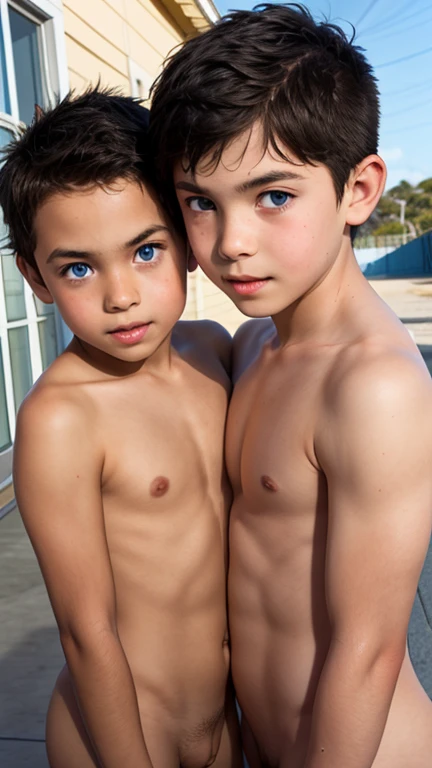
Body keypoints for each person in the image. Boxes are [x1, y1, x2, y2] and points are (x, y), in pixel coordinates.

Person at [149, 5, 432, 767]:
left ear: (358, 190)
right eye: (200, 202)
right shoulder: (252, 345)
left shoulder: (372, 386)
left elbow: (367, 652)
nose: (230, 242)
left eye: (273, 196)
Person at [0, 87, 242, 768]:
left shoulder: (213, 353)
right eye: (78, 267)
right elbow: (87, 631)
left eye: (144, 250)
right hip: (120, 733)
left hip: (221, 721)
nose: (121, 295)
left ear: (187, 241)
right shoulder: (62, 418)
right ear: (36, 278)